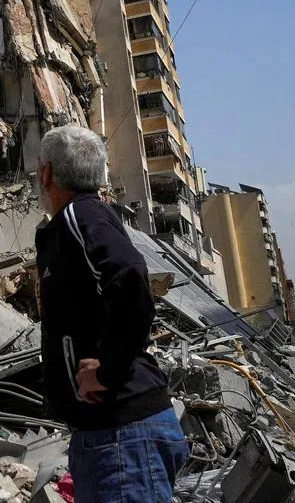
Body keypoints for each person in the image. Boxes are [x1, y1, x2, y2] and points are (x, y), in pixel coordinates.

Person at [34, 125, 188, 502]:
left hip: (122, 435)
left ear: (47, 173)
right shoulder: (76, 223)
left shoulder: (81, 217)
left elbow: (130, 277)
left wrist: (106, 369)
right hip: (111, 436)